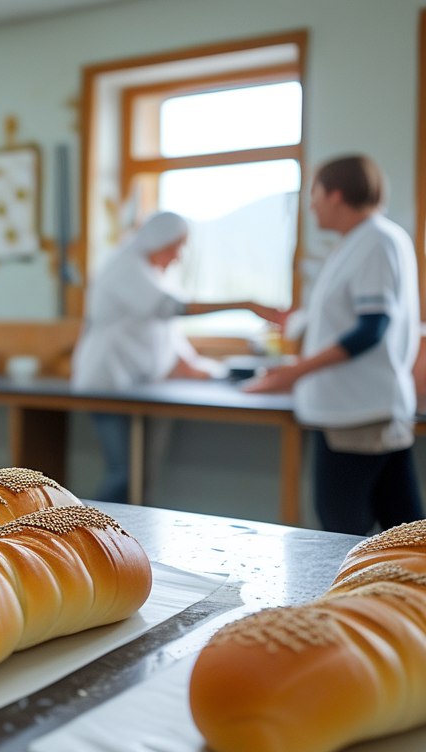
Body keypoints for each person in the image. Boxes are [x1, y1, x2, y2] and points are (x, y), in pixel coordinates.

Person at [247, 155, 422, 534]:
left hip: (357, 413)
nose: (311, 205)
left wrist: (293, 373)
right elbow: (347, 317)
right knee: (404, 529)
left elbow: (370, 330)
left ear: (336, 194)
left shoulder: (375, 241)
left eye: (315, 194)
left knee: (341, 533)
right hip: (361, 407)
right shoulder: (361, 241)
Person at [72, 211, 282, 502]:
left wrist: (207, 369)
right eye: (175, 246)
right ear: (158, 240)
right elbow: (172, 309)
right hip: (106, 380)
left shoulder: (152, 274)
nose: (178, 256)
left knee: (138, 477)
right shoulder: (126, 266)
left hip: (134, 385)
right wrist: (245, 304)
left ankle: (123, 543)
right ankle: (89, 538)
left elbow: (168, 335)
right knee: (122, 474)